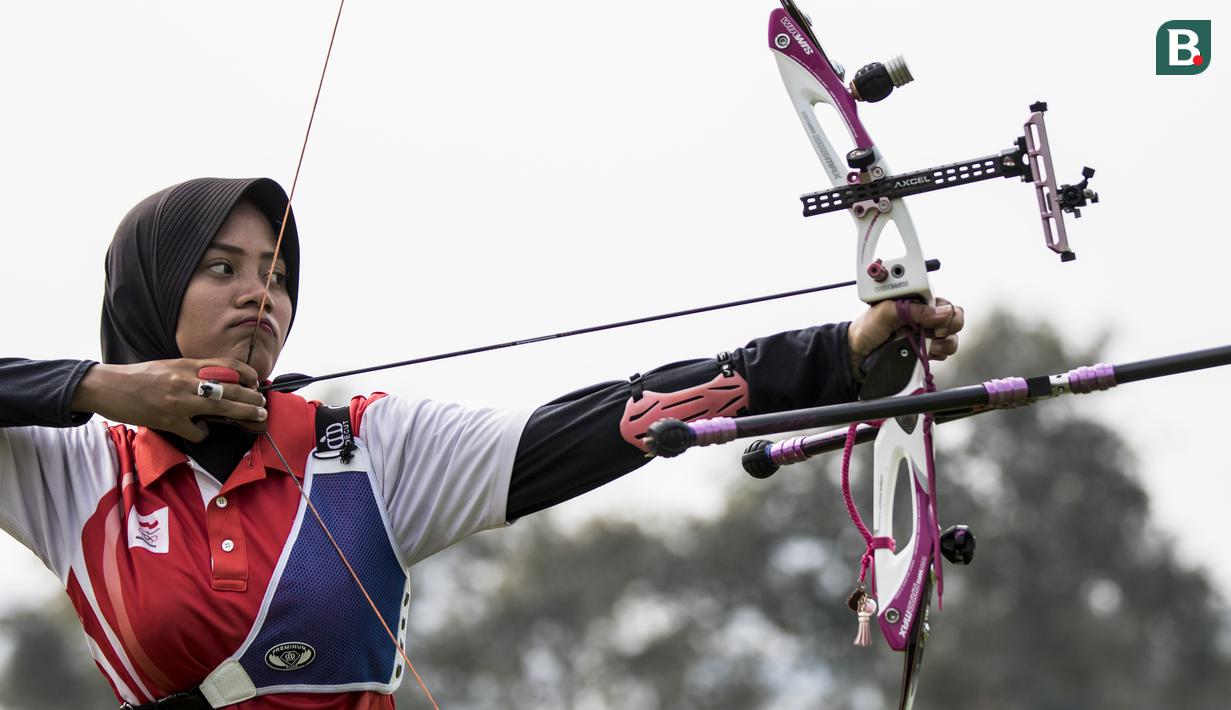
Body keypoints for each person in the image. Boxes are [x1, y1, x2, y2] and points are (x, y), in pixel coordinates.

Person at [0, 177, 963, 709]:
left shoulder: (362, 448)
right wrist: (97, 388)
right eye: (223, 269)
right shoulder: (75, 470)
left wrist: (839, 355)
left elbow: (597, 423)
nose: (263, 295)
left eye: (276, 274)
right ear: (146, 294)